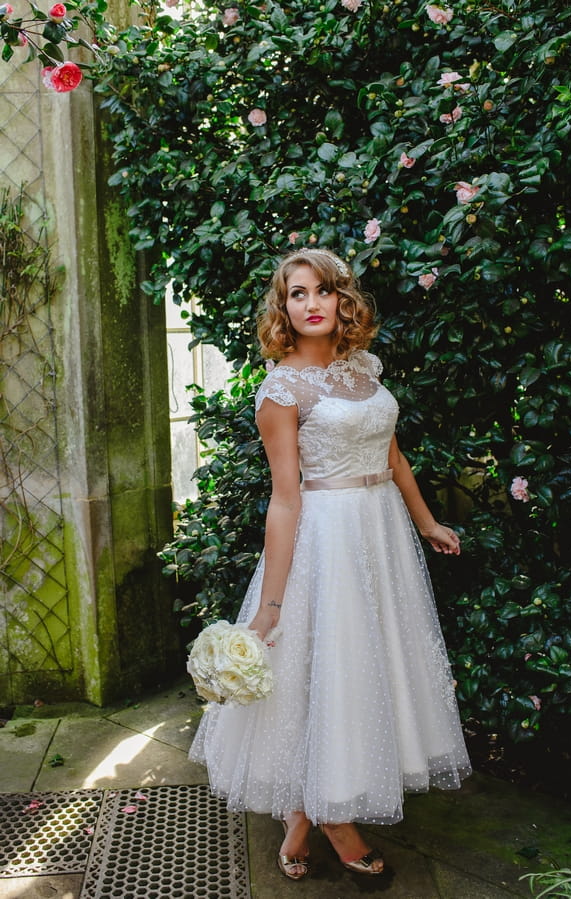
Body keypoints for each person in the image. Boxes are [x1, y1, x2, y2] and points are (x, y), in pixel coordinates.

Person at [188, 247, 471, 880]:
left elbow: (392, 457)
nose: (311, 303)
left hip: (382, 537)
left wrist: (426, 523)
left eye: (321, 291)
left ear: (342, 300)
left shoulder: (362, 367)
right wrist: (272, 603)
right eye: (296, 294)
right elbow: (285, 501)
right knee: (325, 673)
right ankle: (332, 817)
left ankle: (301, 816)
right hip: (328, 541)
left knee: (370, 671)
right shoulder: (281, 389)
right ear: (282, 307)